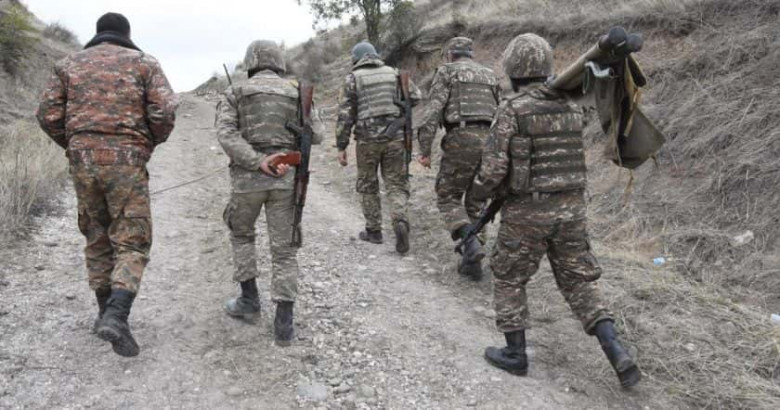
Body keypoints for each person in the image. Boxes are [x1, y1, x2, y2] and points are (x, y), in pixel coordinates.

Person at [471, 33, 641, 388]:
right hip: (572, 209)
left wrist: (477, 195)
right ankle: (618, 354)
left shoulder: (512, 109)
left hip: (527, 212)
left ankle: (515, 354)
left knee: (509, 277)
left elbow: (492, 171)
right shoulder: (571, 106)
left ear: (513, 69)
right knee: (578, 282)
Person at [36, 12, 177, 357]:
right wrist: (146, 144)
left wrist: (76, 145)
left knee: (97, 235)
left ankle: (104, 313)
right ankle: (116, 315)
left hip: (83, 160)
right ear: (126, 34)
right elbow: (165, 111)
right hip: (127, 160)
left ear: (98, 34)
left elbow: (47, 114)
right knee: (132, 239)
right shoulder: (145, 63)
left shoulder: (67, 64)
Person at [215, 40, 322, 347]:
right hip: (285, 181)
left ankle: (249, 301)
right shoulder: (296, 92)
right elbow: (318, 135)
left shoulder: (235, 91)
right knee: (284, 251)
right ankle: (284, 324)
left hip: (247, 181)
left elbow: (225, 134)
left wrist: (257, 160)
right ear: (279, 63)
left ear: (251, 62)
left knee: (242, 236)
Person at [417, 37, 501, 280]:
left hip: (461, 139)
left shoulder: (447, 72)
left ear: (450, 55)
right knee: (476, 201)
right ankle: (472, 263)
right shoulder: (489, 74)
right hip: (491, 140)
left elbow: (433, 112)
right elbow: (502, 111)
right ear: (470, 54)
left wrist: (424, 150)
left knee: (448, 196)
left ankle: (470, 243)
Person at [335, 41, 421, 254]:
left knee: (368, 184)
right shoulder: (395, 73)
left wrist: (341, 145)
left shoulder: (352, 79)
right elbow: (416, 97)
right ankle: (399, 220)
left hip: (367, 141)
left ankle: (374, 231)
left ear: (356, 59)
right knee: (396, 184)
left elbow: (345, 116)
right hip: (396, 138)